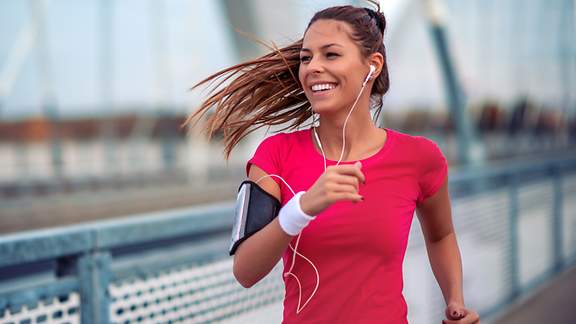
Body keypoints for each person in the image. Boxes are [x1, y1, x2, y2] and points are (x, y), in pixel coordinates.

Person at [186, 2, 480, 323]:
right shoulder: (275, 155)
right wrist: (301, 209)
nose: (312, 67)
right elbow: (245, 271)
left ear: (373, 65)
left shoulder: (419, 158)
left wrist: (455, 300)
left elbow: (441, 236)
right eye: (306, 57)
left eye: (331, 54)